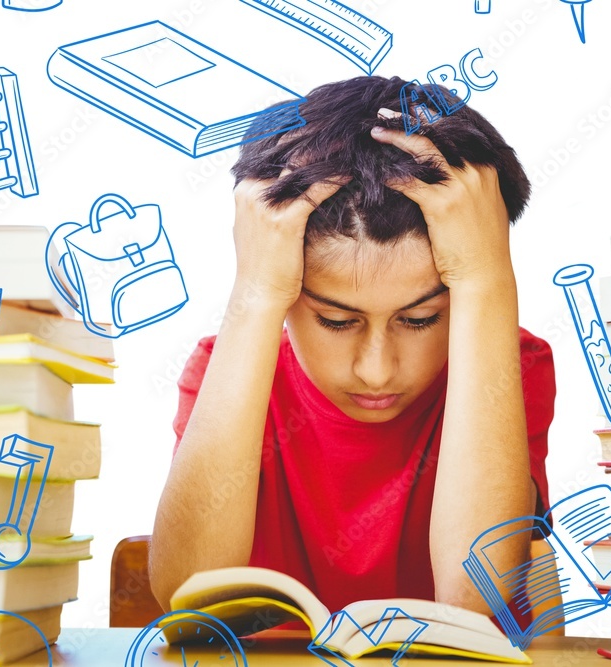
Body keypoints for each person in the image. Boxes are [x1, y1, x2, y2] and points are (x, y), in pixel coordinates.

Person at [149, 76, 556, 619]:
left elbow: (474, 601)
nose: (376, 371)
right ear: (288, 290)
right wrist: (255, 292)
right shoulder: (226, 369)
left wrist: (486, 279)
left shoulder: (512, 366)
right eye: (337, 321)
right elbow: (188, 595)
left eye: (420, 318)